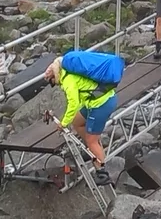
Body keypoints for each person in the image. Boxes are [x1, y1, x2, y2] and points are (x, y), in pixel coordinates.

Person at [42, 52, 122, 185]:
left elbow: (73, 103)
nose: (54, 84)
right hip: (96, 101)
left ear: (54, 76)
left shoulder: (68, 81)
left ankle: (102, 173)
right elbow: (78, 102)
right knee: (78, 121)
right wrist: (69, 119)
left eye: (52, 82)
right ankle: (92, 149)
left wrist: (63, 123)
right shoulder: (70, 73)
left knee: (92, 140)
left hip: (101, 104)